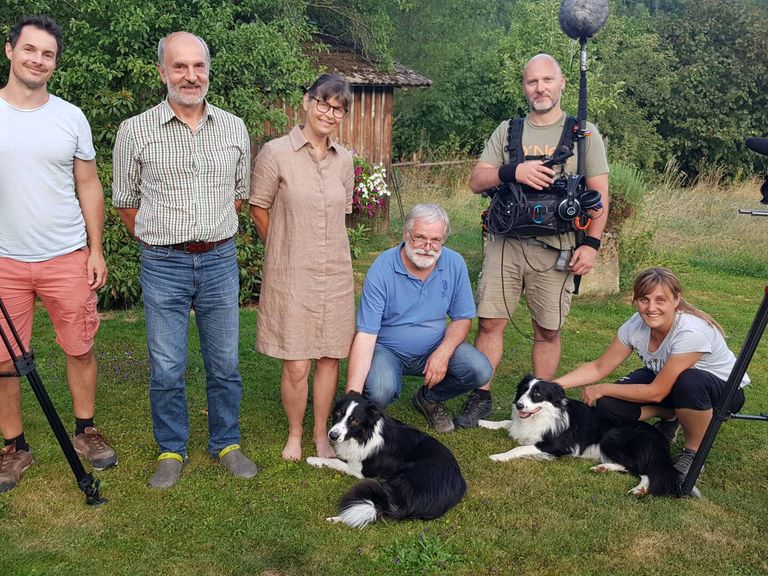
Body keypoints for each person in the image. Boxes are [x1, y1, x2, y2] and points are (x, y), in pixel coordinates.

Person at [112, 31, 257, 488]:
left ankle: (226, 442)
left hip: (218, 260)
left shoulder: (234, 128)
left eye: (198, 66)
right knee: (167, 366)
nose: (190, 76)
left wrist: (205, 235)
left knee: (226, 364)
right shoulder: (134, 131)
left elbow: (238, 196)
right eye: (180, 67)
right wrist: (166, 241)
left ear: (208, 71)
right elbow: (125, 204)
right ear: (163, 72)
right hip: (163, 265)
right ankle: (171, 448)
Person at [460, 53, 610, 428]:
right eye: (532, 82)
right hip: (505, 244)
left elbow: (599, 197)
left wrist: (590, 245)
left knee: (548, 329)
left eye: (547, 80)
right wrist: (515, 170)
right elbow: (477, 180)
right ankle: (481, 397)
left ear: (561, 83)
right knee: (490, 322)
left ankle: (541, 404)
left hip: (558, 247)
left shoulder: (583, 133)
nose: (540, 88)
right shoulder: (507, 131)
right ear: (524, 87)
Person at [0, 16, 117, 493]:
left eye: (47, 54)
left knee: (80, 346)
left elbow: (88, 184)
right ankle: (15, 446)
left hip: (67, 255)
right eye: (30, 50)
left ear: (54, 62)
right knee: (4, 360)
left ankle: (85, 429)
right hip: (4, 260)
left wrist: (96, 248)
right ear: (10, 50)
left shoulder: (70, 116)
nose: (37, 60)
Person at [556, 267, 749, 482]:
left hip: (723, 392)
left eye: (660, 300)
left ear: (676, 300)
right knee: (608, 404)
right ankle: (671, 415)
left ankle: (693, 453)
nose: (651, 308)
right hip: (671, 383)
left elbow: (657, 392)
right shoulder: (635, 325)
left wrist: (601, 388)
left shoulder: (691, 332)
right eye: (644, 300)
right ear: (635, 301)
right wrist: (552, 385)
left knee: (690, 381)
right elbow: (599, 367)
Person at [250, 73, 355, 461]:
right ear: (308, 102)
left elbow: (341, 212)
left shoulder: (345, 160)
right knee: (296, 361)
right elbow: (259, 207)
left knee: (329, 356)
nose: (329, 113)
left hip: (335, 274)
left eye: (338, 109)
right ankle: (294, 433)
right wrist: (282, 247)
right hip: (292, 274)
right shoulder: (275, 153)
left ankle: (320, 434)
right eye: (324, 104)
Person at [345, 204, 493, 433]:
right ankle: (366, 405)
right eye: (420, 238)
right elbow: (365, 335)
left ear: (444, 240)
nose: (427, 247)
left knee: (480, 369)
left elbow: (462, 318)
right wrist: (352, 397)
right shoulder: (382, 268)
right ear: (406, 235)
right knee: (381, 389)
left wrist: (443, 353)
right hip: (388, 349)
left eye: (435, 240)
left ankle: (429, 398)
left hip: (434, 346)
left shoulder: (455, 264)